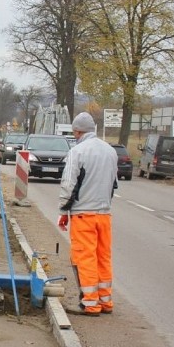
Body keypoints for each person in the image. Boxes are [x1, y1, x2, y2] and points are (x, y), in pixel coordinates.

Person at [57, 112, 118, 317]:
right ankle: (105, 300)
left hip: (84, 214)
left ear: (77, 131)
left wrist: (64, 210)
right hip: (104, 214)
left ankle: (90, 303)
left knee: (85, 257)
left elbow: (69, 185)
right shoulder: (110, 151)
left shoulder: (78, 152)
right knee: (103, 256)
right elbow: (113, 183)